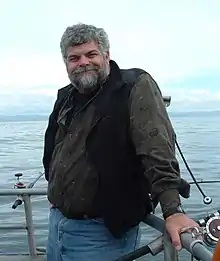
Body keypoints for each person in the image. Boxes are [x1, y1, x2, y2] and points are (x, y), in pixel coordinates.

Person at [42, 23, 199, 261]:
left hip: (101, 234)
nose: (83, 62)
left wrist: (172, 210)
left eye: (91, 54)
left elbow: (156, 150)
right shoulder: (65, 96)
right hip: (57, 224)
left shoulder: (134, 86)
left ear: (106, 55)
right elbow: (53, 147)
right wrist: (56, 192)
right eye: (74, 58)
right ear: (66, 63)